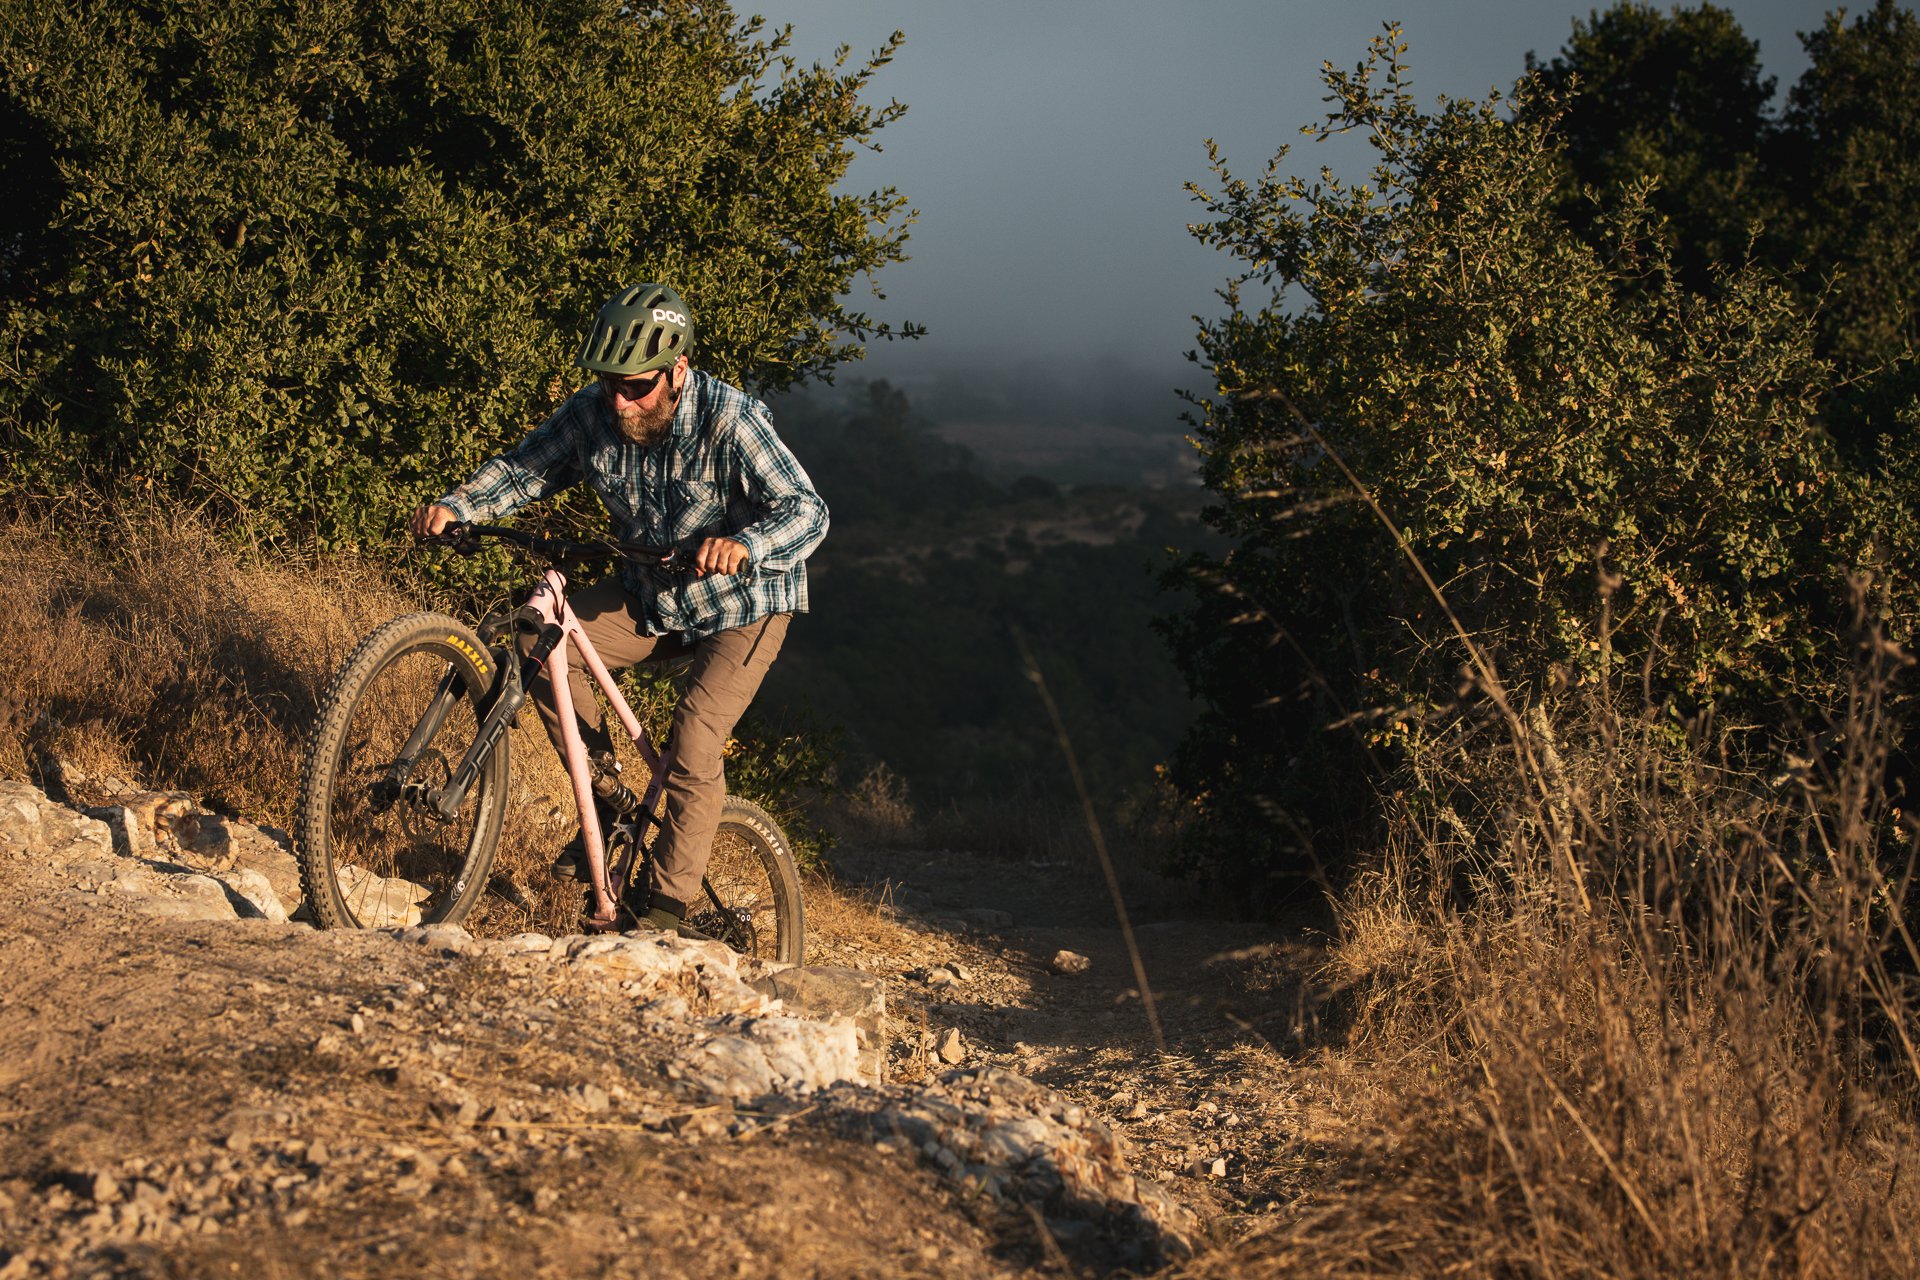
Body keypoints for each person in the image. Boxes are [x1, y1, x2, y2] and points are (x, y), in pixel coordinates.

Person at [410, 283, 828, 934]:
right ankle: (604, 804)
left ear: (678, 370)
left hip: (746, 602)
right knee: (536, 641)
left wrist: (743, 545)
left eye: (637, 387)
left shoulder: (730, 418)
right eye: (611, 384)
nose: (621, 400)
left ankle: (663, 908)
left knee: (693, 738)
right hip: (651, 595)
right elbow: (525, 470)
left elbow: (808, 510)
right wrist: (459, 505)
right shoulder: (592, 413)